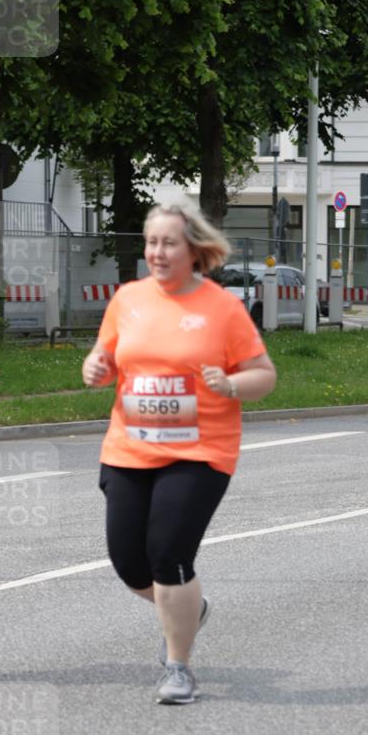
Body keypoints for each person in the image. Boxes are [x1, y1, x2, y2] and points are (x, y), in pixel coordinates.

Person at [82, 202, 276, 704]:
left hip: (199, 452)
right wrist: (97, 368)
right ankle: (190, 607)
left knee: (168, 555)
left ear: (193, 250)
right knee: (130, 564)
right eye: (151, 243)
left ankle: (178, 667)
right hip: (128, 448)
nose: (157, 252)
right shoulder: (127, 299)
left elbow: (264, 374)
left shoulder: (222, 308)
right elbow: (107, 355)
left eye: (168, 243)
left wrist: (231, 383)